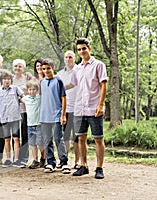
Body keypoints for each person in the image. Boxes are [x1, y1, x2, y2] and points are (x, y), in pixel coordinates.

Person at [66, 38, 107, 179]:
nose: (82, 51)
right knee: (81, 138)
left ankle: (99, 168)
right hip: (79, 109)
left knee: (98, 139)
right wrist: (54, 83)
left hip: (94, 108)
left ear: (89, 48)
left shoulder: (98, 65)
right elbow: (72, 85)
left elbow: (103, 85)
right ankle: (83, 166)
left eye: (84, 48)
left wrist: (100, 105)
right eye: (79, 49)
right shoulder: (77, 69)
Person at [39, 58, 71, 174]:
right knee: (47, 140)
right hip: (44, 116)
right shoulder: (41, 82)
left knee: (58, 139)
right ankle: (51, 163)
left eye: (48, 68)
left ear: (53, 68)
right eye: (44, 69)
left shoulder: (58, 81)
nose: (46, 71)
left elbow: (63, 98)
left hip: (56, 115)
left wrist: (63, 115)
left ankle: (64, 163)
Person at [0, 71, 25, 168]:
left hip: (15, 117)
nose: (6, 81)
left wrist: (19, 100)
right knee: (6, 139)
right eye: (4, 79)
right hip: (4, 118)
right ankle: (8, 159)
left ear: (11, 80)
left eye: (8, 79)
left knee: (16, 138)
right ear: (1, 81)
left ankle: (16, 159)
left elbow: (23, 96)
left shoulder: (15, 89)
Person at [57, 51, 80, 169]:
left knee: (77, 137)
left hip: (77, 109)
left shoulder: (79, 70)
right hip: (64, 109)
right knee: (65, 137)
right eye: (66, 57)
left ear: (74, 59)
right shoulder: (59, 74)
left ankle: (77, 161)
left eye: (70, 57)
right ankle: (64, 161)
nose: (68, 59)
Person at [20, 80, 46, 169]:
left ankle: (43, 157)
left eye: (34, 89)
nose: (32, 91)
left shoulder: (39, 97)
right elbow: (20, 97)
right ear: (27, 91)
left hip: (38, 124)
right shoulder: (25, 98)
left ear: (37, 90)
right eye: (30, 90)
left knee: (40, 143)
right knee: (32, 144)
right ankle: (35, 160)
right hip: (30, 125)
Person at [12, 59, 29, 165]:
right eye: (16, 66)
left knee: (24, 134)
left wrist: (22, 98)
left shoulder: (27, 79)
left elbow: (30, 92)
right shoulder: (10, 79)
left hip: (24, 110)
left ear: (24, 68)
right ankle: (16, 157)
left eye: (20, 66)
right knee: (15, 136)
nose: (17, 68)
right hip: (13, 111)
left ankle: (24, 158)